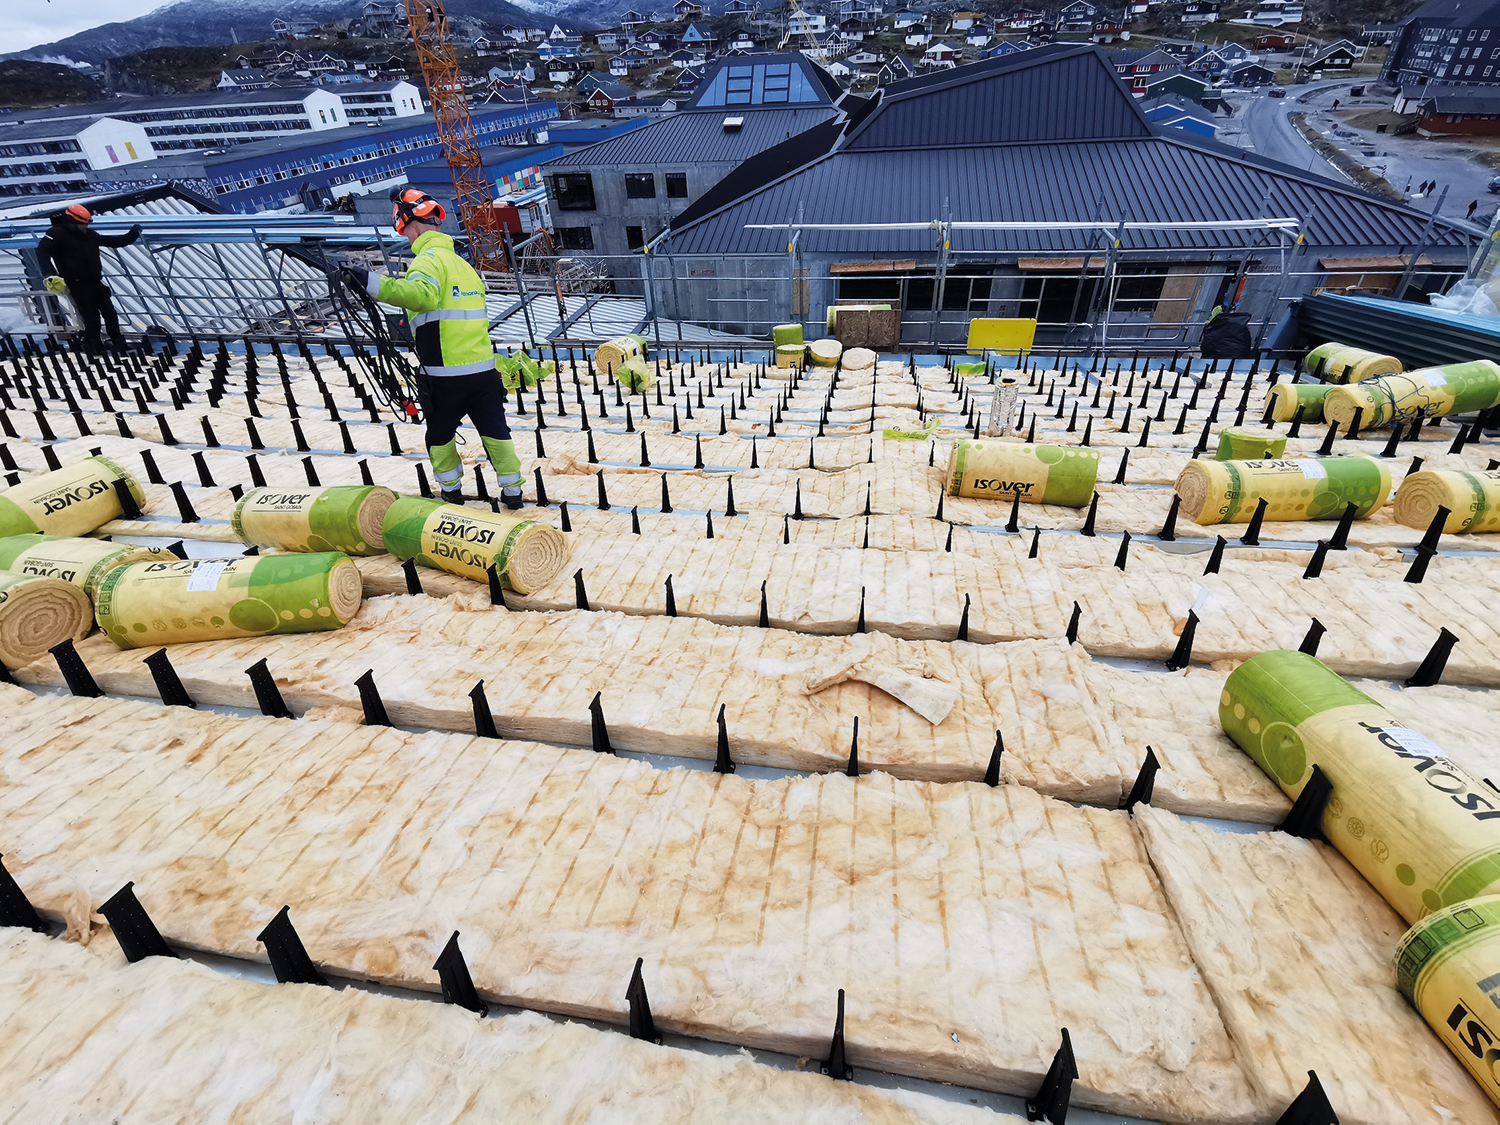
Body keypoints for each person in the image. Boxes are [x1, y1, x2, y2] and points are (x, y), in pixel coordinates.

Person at [342, 188, 524, 509]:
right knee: (496, 432)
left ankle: (451, 492)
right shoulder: (464, 267)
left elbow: (421, 296)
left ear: (410, 225)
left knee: (439, 437)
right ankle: (513, 492)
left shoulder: (426, 262)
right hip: (483, 371)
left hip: (445, 376)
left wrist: (369, 283)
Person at [36, 204, 142, 354]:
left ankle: (118, 342)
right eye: (82, 223)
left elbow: (113, 241)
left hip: (94, 281)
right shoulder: (57, 234)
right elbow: (42, 251)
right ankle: (94, 345)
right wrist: (49, 273)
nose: (85, 226)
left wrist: (133, 234)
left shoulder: (89, 235)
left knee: (110, 313)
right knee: (91, 317)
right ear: (72, 221)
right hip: (77, 283)